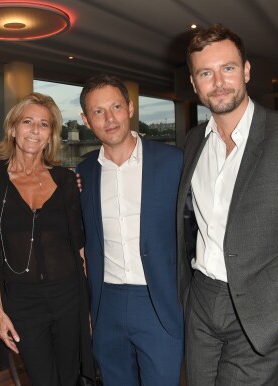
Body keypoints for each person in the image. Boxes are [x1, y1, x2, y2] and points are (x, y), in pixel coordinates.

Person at [177, 23, 278, 385]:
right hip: (202, 303)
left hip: (265, 311)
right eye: (205, 73)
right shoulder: (194, 141)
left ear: (245, 71)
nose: (219, 82)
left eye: (227, 68)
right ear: (195, 84)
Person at [0, 92, 94, 386]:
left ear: (51, 135)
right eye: (27, 121)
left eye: (44, 124)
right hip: (23, 301)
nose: (34, 130)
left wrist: (90, 306)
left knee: (69, 378)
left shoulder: (66, 180)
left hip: (69, 295)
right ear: (13, 128)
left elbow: (79, 246)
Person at [77, 74, 184, 386]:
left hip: (159, 302)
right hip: (105, 303)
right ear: (85, 120)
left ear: (130, 107)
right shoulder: (83, 173)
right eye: (98, 112)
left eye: (115, 107)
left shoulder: (173, 162)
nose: (109, 118)